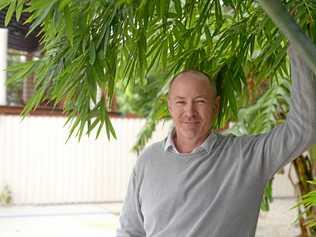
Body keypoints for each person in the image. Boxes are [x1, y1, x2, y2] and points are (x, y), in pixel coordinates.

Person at [116, 48, 316, 237]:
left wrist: (298, 49)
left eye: (200, 101)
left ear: (216, 106)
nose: (189, 112)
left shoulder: (247, 157)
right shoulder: (149, 160)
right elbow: (130, 231)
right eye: (180, 102)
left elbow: (304, 129)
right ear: (169, 106)